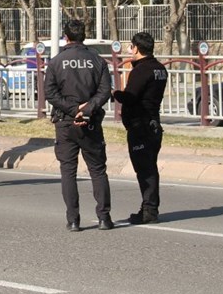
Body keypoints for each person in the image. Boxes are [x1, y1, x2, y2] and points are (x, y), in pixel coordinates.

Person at [45, 20, 114, 231]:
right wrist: (86, 109)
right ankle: (104, 218)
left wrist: (73, 110)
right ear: (84, 36)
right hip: (90, 121)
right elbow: (104, 91)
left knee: (68, 171)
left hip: (66, 122)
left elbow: (50, 93)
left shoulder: (57, 62)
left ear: (65, 37)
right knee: (98, 170)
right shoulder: (98, 61)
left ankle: (73, 220)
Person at [112, 32, 169, 225]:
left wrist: (115, 94)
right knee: (149, 168)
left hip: (141, 126)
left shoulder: (141, 70)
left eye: (131, 46)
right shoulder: (160, 69)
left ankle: (149, 210)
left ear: (137, 48)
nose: (130, 49)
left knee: (145, 170)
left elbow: (131, 96)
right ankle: (149, 208)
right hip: (153, 125)